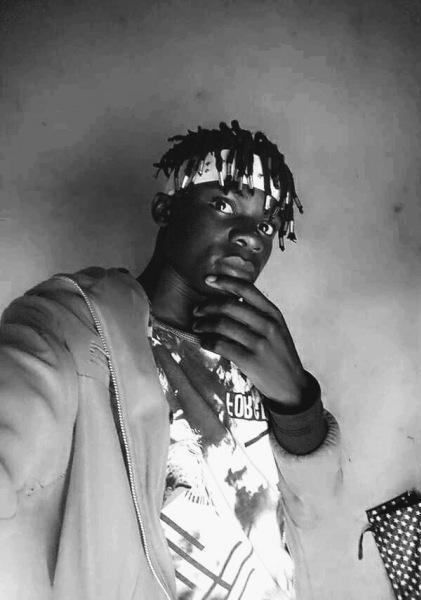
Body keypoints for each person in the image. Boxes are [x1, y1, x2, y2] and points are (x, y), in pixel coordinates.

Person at [0, 120, 340, 599]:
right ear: (165, 209)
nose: (251, 237)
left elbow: (317, 514)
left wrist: (296, 400)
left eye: (266, 225)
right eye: (224, 205)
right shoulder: (76, 325)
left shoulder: (259, 352)